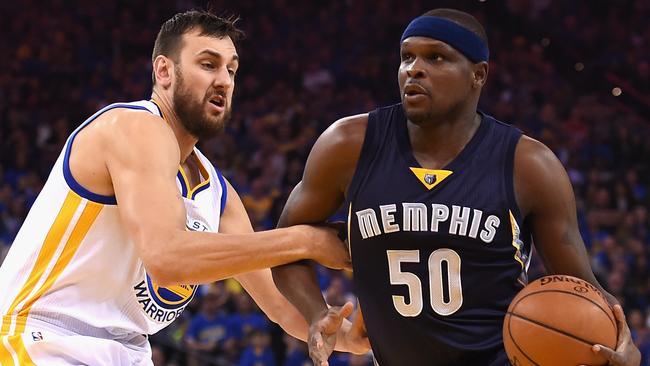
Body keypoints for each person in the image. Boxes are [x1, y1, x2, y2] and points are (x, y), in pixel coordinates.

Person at [272, 8, 641, 366]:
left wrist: (622, 339)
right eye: (407, 57)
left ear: (478, 75)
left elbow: (582, 286)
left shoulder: (529, 165)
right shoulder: (348, 144)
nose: (414, 69)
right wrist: (316, 311)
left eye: (436, 58)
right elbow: (285, 244)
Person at [0, 10, 366, 365]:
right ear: (164, 71)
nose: (224, 80)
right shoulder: (133, 127)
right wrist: (304, 240)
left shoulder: (216, 193)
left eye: (231, 69)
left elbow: (278, 304)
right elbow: (167, 257)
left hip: (127, 350)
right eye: (208, 65)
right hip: (40, 337)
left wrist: (346, 334)